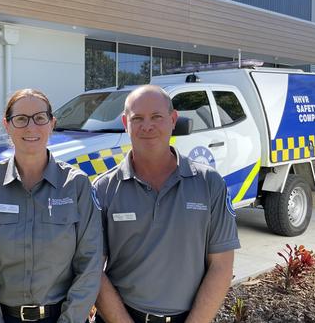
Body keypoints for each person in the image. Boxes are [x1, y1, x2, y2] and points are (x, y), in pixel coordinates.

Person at [94, 85, 240, 323]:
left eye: (157, 117)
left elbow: (221, 266)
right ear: (125, 123)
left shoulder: (209, 183)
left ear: (173, 120)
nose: (147, 126)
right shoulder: (104, 189)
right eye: (137, 118)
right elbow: (92, 270)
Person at [0, 89, 103, 323]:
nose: (31, 127)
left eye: (39, 118)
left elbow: (90, 263)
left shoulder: (76, 185)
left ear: (52, 123)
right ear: (7, 125)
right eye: (21, 119)